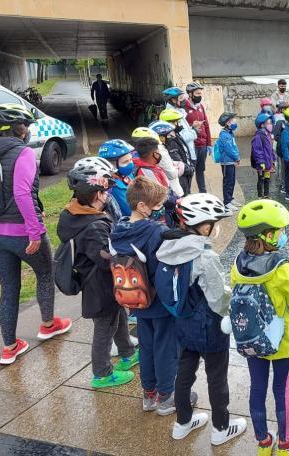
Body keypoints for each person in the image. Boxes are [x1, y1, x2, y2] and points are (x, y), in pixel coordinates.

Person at [0, 104, 72, 365]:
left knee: (9, 287)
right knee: (45, 273)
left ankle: (9, 347)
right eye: (27, 126)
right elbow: (21, 194)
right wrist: (34, 232)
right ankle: (48, 324)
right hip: (20, 230)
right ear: (21, 129)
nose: (29, 131)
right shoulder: (24, 153)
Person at [158, 194, 247, 445]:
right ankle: (221, 428)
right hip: (209, 327)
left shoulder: (167, 246)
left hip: (183, 321)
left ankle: (182, 422)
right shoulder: (205, 257)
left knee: (184, 373)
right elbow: (219, 298)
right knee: (216, 377)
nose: (215, 227)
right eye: (212, 222)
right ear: (202, 225)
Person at [110, 176, 196, 414]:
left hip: (136, 299)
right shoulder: (155, 231)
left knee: (146, 347)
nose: (160, 207)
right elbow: (166, 267)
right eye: (157, 204)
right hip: (159, 302)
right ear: (142, 206)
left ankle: (149, 395)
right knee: (166, 348)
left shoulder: (119, 228)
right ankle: (167, 396)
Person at [231, 200, 289, 456]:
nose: (284, 234)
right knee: (281, 389)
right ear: (269, 235)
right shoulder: (282, 269)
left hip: (252, 340)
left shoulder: (237, 265)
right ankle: (285, 444)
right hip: (283, 342)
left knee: (257, 388)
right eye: (281, 230)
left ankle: (263, 442)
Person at [59, 159, 139, 388]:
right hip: (100, 285)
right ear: (95, 194)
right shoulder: (93, 225)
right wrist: (126, 253)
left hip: (100, 283)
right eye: (105, 191)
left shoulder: (74, 214)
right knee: (105, 328)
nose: (107, 195)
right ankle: (102, 373)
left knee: (119, 317)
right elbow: (105, 259)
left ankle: (127, 352)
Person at [159, 108, 196, 195]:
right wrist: (190, 169)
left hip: (185, 176)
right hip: (181, 178)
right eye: (176, 122)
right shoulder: (170, 140)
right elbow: (178, 162)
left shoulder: (176, 135)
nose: (179, 124)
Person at [98, 139, 136, 217]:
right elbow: (131, 211)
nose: (130, 164)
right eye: (125, 162)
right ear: (112, 165)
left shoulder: (126, 174)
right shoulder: (113, 187)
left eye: (131, 160)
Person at [183, 82, 210, 192]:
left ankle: (203, 193)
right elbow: (182, 127)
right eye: (197, 93)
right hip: (191, 146)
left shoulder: (201, 107)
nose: (200, 95)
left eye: (200, 93)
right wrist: (192, 126)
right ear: (190, 94)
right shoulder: (184, 107)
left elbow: (206, 125)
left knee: (200, 171)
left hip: (202, 145)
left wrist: (209, 144)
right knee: (190, 171)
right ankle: (186, 193)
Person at [148, 120, 185, 197]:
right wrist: (180, 167)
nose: (172, 137)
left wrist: (174, 164)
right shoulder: (161, 150)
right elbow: (172, 174)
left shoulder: (157, 148)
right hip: (172, 191)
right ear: (161, 137)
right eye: (169, 135)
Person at [215, 112, 241, 212]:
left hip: (231, 161)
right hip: (227, 162)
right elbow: (229, 149)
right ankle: (226, 202)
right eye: (233, 120)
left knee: (232, 181)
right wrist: (236, 157)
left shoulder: (229, 133)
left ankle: (230, 198)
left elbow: (233, 147)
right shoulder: (224, 135)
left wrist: (236, 157)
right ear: (227, 123)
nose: (235, 122)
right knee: (228, 182)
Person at [252, 113, 276, 199]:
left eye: (270, 123)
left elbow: (270, 149)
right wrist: (261, 161)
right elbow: (257, 150)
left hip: (268, 162)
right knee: (261, 179)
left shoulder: (268, 134)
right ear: (262, 125)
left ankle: (266, 194)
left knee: (267, 178)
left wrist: (273, 158)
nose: (270, 125)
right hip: (262, 163)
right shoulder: (259, 135)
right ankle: (260, 195)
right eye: (268, 123)